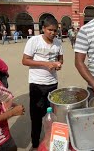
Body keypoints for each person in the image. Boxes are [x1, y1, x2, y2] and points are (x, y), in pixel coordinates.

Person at [22, 16, 63, 150]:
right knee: (36, 116)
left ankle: (49, 141)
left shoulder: (58, 43)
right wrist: (45, 64)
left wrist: (58, 64)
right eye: (50, 30)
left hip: (53, 84)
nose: (52, 33)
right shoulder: (34, 41)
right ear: (43, 29)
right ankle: (35, 144)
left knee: (52, 115)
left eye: (55, 30)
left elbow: (60, 59)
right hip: (37, 85)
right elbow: (25, 60)